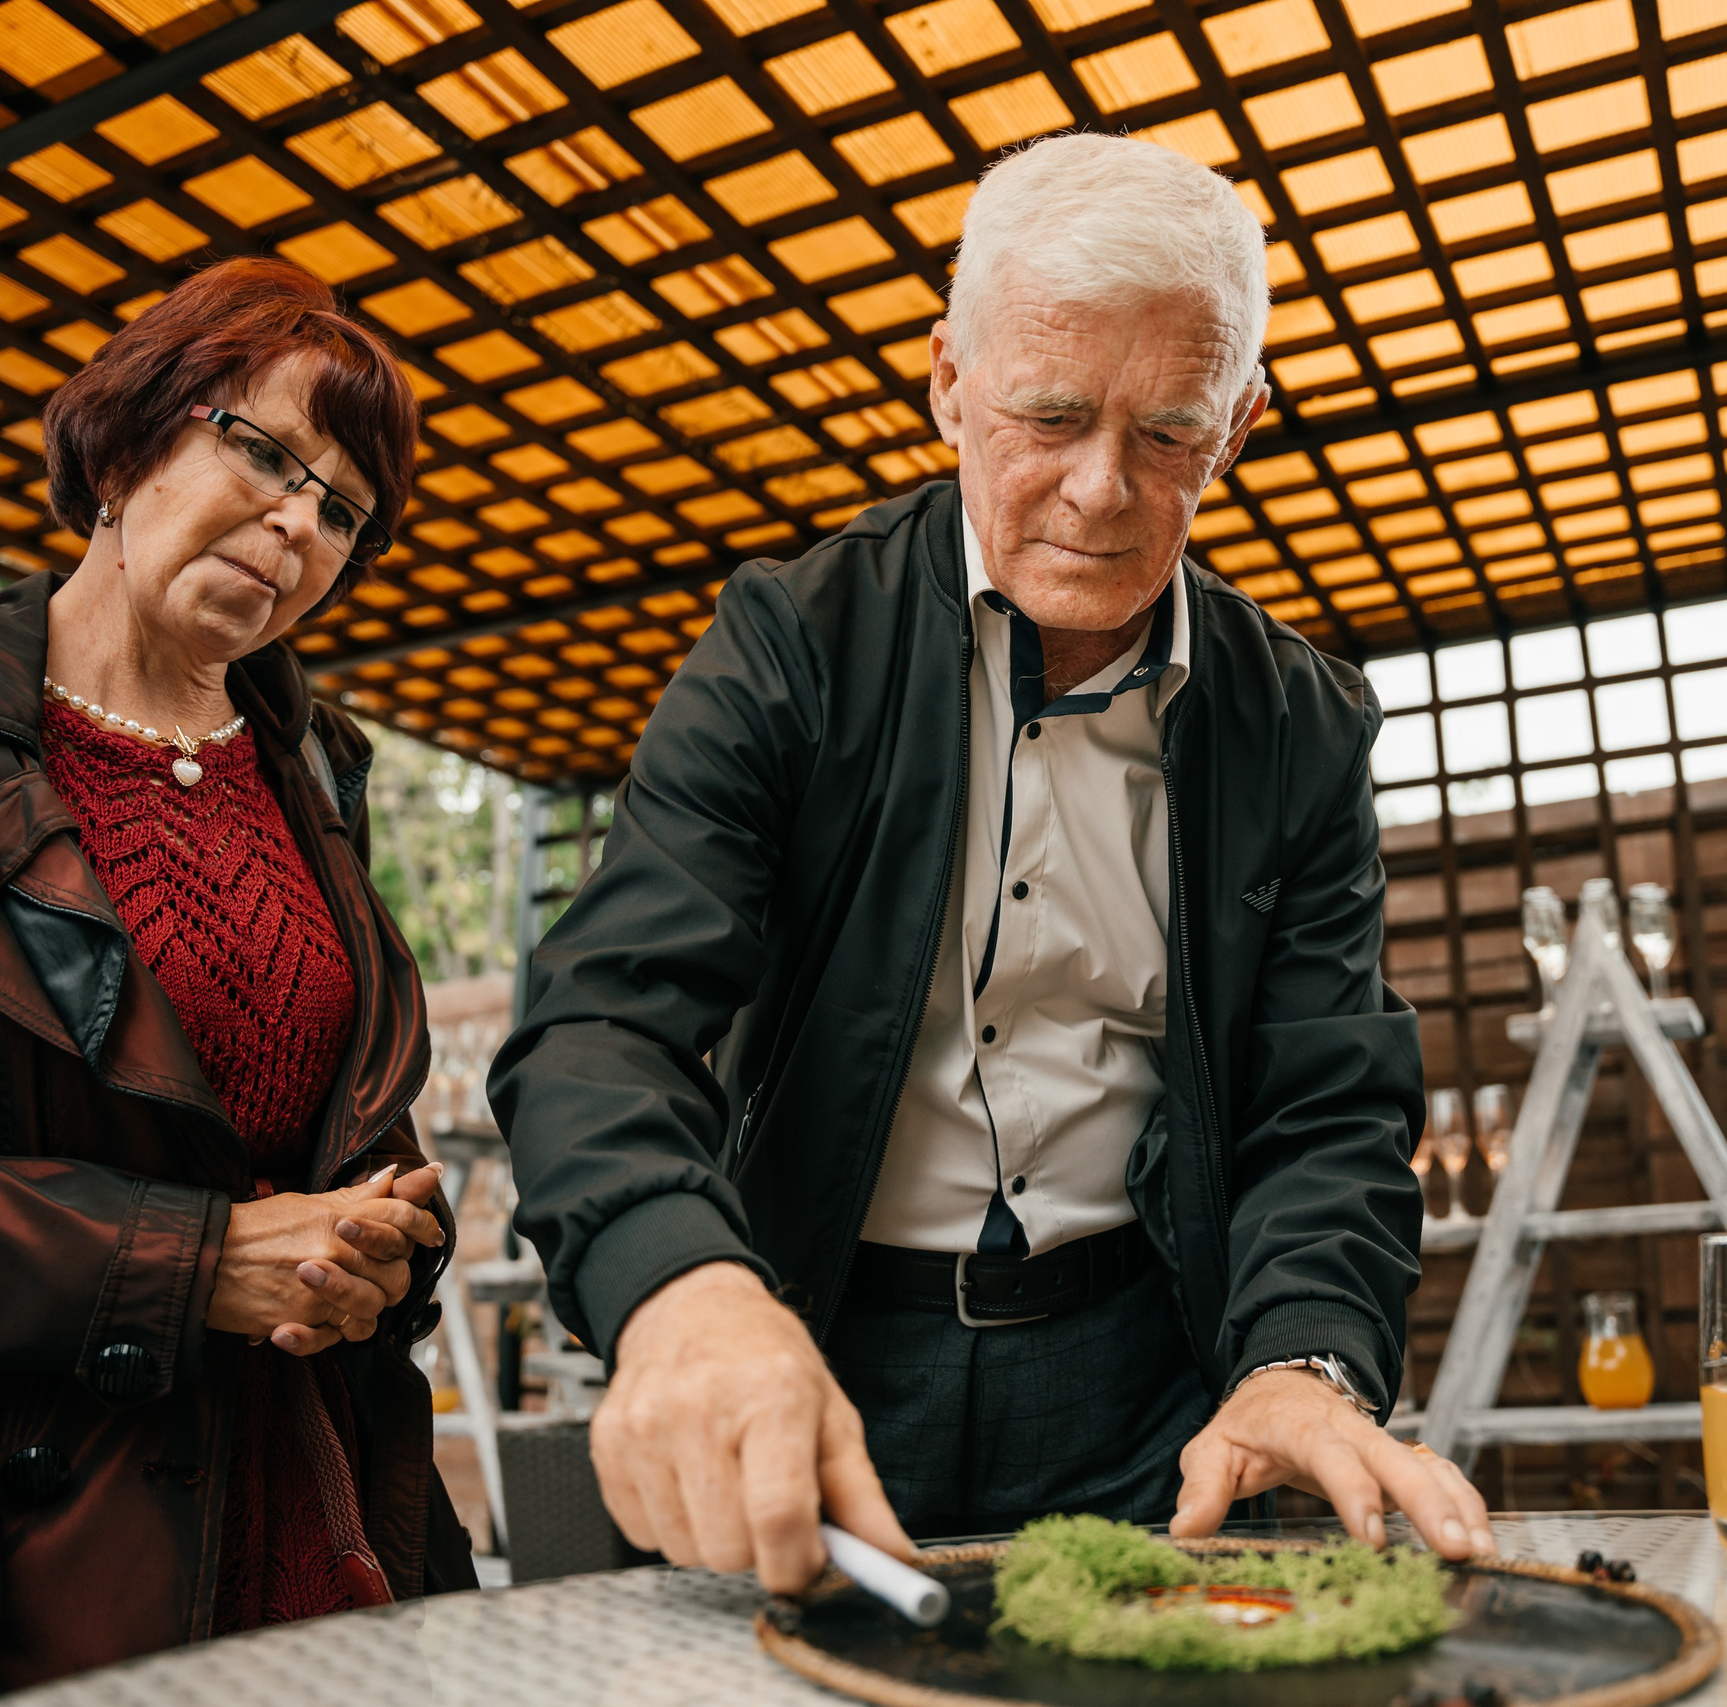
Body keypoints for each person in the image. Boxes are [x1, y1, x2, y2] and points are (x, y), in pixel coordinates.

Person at [490, 132, 1488, 1595]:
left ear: (1243, 423)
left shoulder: (1300, 727)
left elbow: (1326, 1105)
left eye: (1168, 436)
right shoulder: (794, 645)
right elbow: (599, 1022)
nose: (1100, 490)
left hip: (1152, 1382)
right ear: (949, 382)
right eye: (1051, 414)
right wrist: (685, 1292)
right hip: (818, 1344)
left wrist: (1305, 1360)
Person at [0, 258, 475, 1703]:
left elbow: (343, 1126)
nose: (299, 522)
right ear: (128, 438)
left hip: (313, 1528)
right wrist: (192, 1270)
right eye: (266, 452)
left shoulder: (321, 774)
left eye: (343, 513)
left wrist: (380, 1244)